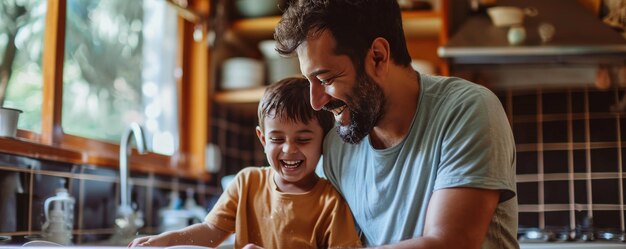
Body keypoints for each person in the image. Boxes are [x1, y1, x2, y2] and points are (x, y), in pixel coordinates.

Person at [274, 0, 518, 248]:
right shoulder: (337, 146)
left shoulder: (466, 110)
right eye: (309, 81)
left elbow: (451, 243)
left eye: (326, 79)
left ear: (378, 57)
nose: (316, 102)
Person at [128, 77, 362, 248]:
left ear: (323, 140)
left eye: (303, 139)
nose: (289, 148)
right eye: (277, 139)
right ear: (262, 139)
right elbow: (211, 231)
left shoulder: (330, 202)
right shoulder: (247, 183)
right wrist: (167, 240)